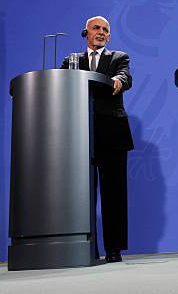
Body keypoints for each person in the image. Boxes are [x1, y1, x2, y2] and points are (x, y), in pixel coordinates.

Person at [61, 16, 134, 263]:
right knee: (81, 193)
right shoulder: (72, 60)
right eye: (96, 28)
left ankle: (114, 249)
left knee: (114, 194)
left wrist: (119, 81)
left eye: (105, 30)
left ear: (109, 36)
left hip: (112, 132)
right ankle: (86, 248)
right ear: (86, 33)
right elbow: (60, 87)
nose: (101, 32)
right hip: (80, 134)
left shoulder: (118, 58)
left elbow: (125, 76)